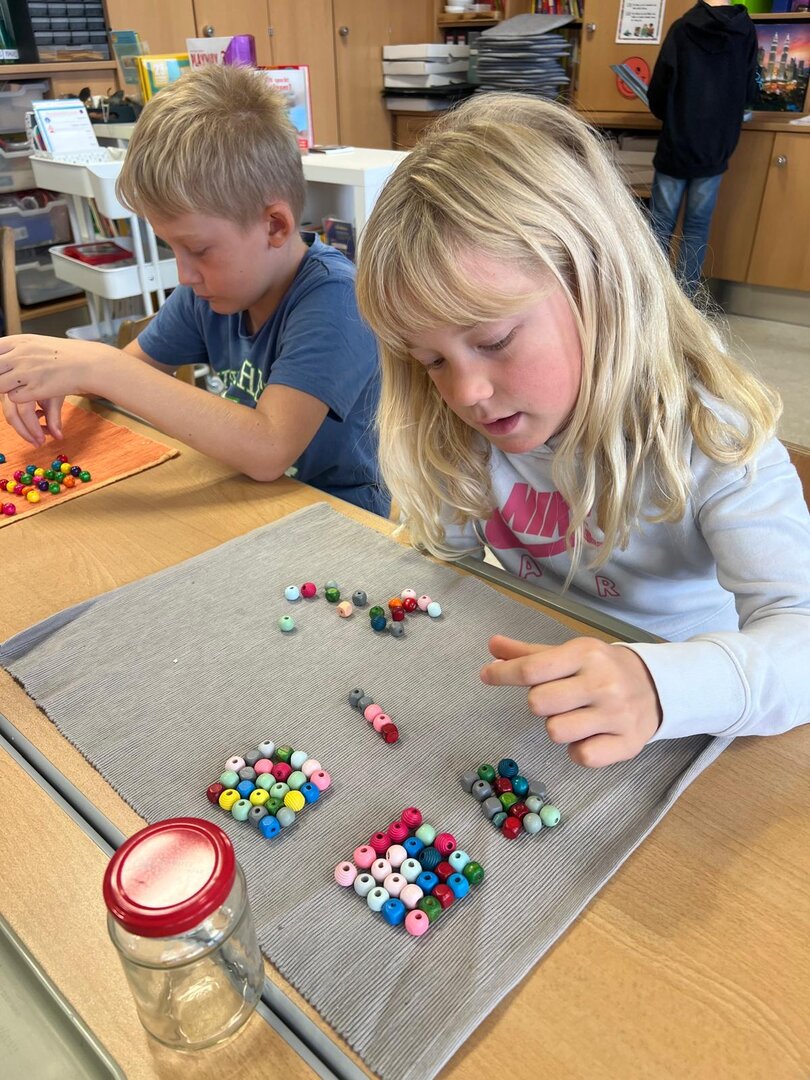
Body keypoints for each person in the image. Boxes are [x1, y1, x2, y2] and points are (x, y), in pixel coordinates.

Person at [355, 92, 810, 768]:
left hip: (690, 720)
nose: (465, 393)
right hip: (532, 703)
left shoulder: (713, 433)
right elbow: (446, 572)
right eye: (432, 362)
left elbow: (799, 637)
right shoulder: (454, 424)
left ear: (598, 284)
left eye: (495, 341)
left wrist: (659, 685)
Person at [0, 65, 388, 516]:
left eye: (199, 250)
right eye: (172, 249)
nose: (184, 275)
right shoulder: (212, 292)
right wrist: (69, 378)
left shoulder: (337, 298)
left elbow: (269, 448)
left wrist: (100, 366)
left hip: (342, 516)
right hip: (247, 499)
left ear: (274, 225)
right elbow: (120, 382)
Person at [647, 0, 758, 298]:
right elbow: (750, 90)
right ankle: (686, 302)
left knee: (660, 225)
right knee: (697, 228)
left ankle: (651, 298)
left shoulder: (682, 28)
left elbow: (658, 92)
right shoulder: (745, 31)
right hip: (715, 148)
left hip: (677, 145)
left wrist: (672, 116)